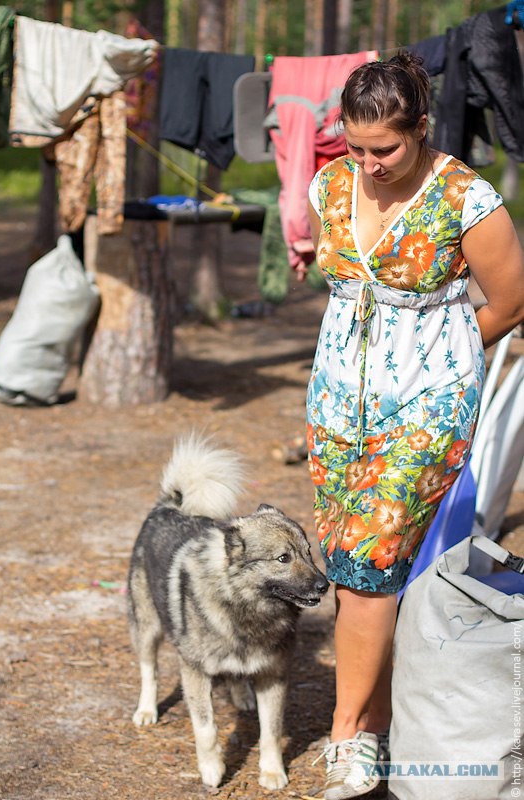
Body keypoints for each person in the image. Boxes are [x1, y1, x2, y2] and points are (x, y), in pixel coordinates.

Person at [305, 52, 524, 800]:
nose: (368, 164)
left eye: (385, 149)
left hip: (425, 409)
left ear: (420, 127)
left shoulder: (466, 199)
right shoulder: (330, 184)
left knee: (366, 569)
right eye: (355, 146)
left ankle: (346, 738)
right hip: (336, 405)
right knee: (356, 571)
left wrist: (443, 361)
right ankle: (383, 722)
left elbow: (511, 300)